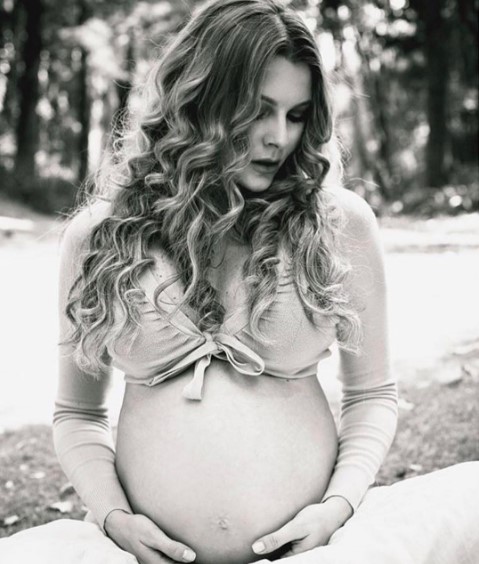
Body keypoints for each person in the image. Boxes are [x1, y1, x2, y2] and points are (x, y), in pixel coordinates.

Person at [1, 1, 478, 563]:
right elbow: (78, 414)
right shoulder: (100, 236)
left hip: (319, 553)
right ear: (200, 98)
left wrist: (338, 508)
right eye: (259, 110)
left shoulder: (339, 223)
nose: (279, 137)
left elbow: (372, 395)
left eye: (297, 115)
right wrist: (114, 518)